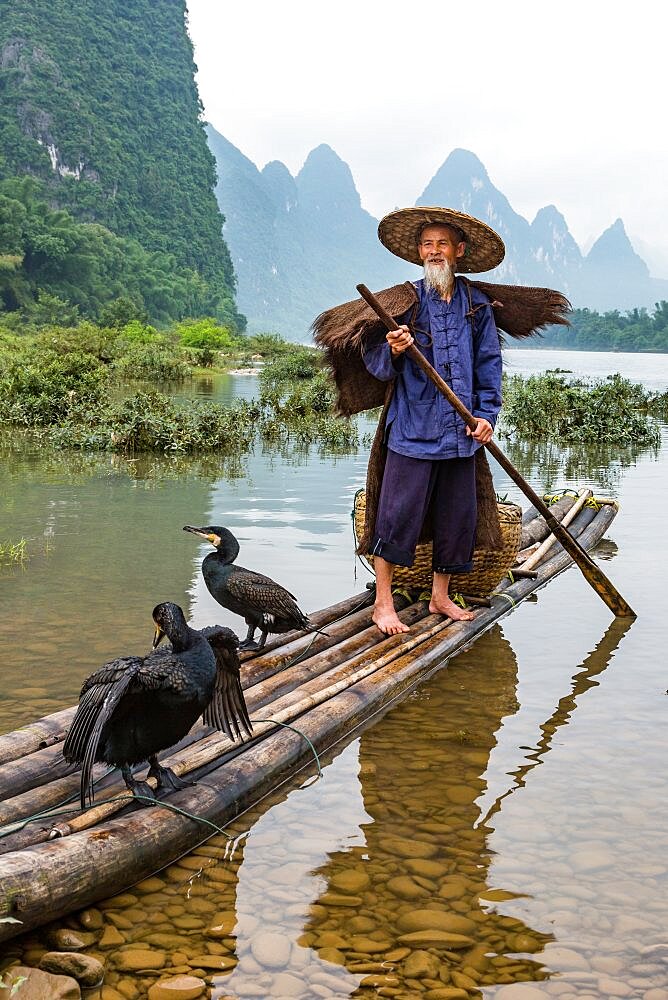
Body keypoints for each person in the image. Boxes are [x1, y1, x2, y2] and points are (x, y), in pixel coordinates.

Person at [362, 207, 504, 635]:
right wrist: (395, 348)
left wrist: (486, 416)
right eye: (427, 244)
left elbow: (489, 364)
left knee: (456, 518)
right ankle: (383, 603)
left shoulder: (476, 306)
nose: (434, 251)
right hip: (413, 431)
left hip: (461, 434)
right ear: (418, 253)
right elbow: (376, 365)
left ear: (459, 251)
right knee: (395, 516)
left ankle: (440, 596)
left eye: (443, 244)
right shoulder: (403, 303)